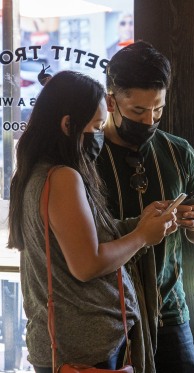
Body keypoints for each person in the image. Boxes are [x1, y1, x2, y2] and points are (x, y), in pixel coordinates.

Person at [7, 70, 177, 372]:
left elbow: (76, 242)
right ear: (68, 125)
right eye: (97, 127)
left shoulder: (34, 172)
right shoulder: (62, 177)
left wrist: (141, 224)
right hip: (84, 348)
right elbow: (87, 264)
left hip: (69, 344)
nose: (100, 136)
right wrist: (142, 237)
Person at [97, 40, 194, 373]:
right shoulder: (86, 157)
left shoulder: (179, 152)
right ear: (111, 102)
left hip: (170, 313)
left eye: (158, 110)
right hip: (109, 315)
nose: (150, 120)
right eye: (138, 112)